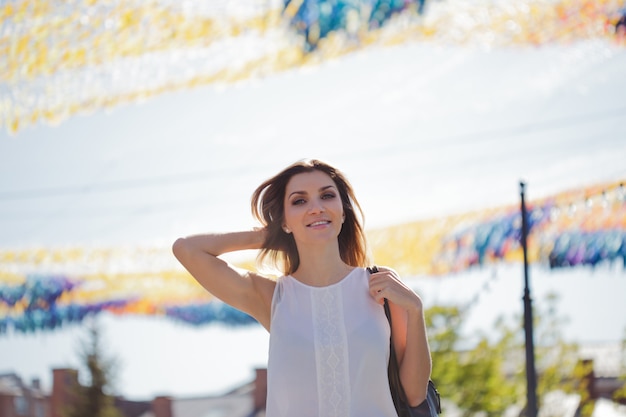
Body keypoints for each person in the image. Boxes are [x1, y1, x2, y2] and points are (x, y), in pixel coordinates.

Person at [172, 158, 431, 416]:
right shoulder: (272, 297)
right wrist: (269, 235)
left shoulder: (380, 285)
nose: (316, 208)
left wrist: (415, 310)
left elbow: (413, 393)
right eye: (299, 201)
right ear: (284, 221)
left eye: (327, 196)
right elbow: (186, 249)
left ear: (343, 211)